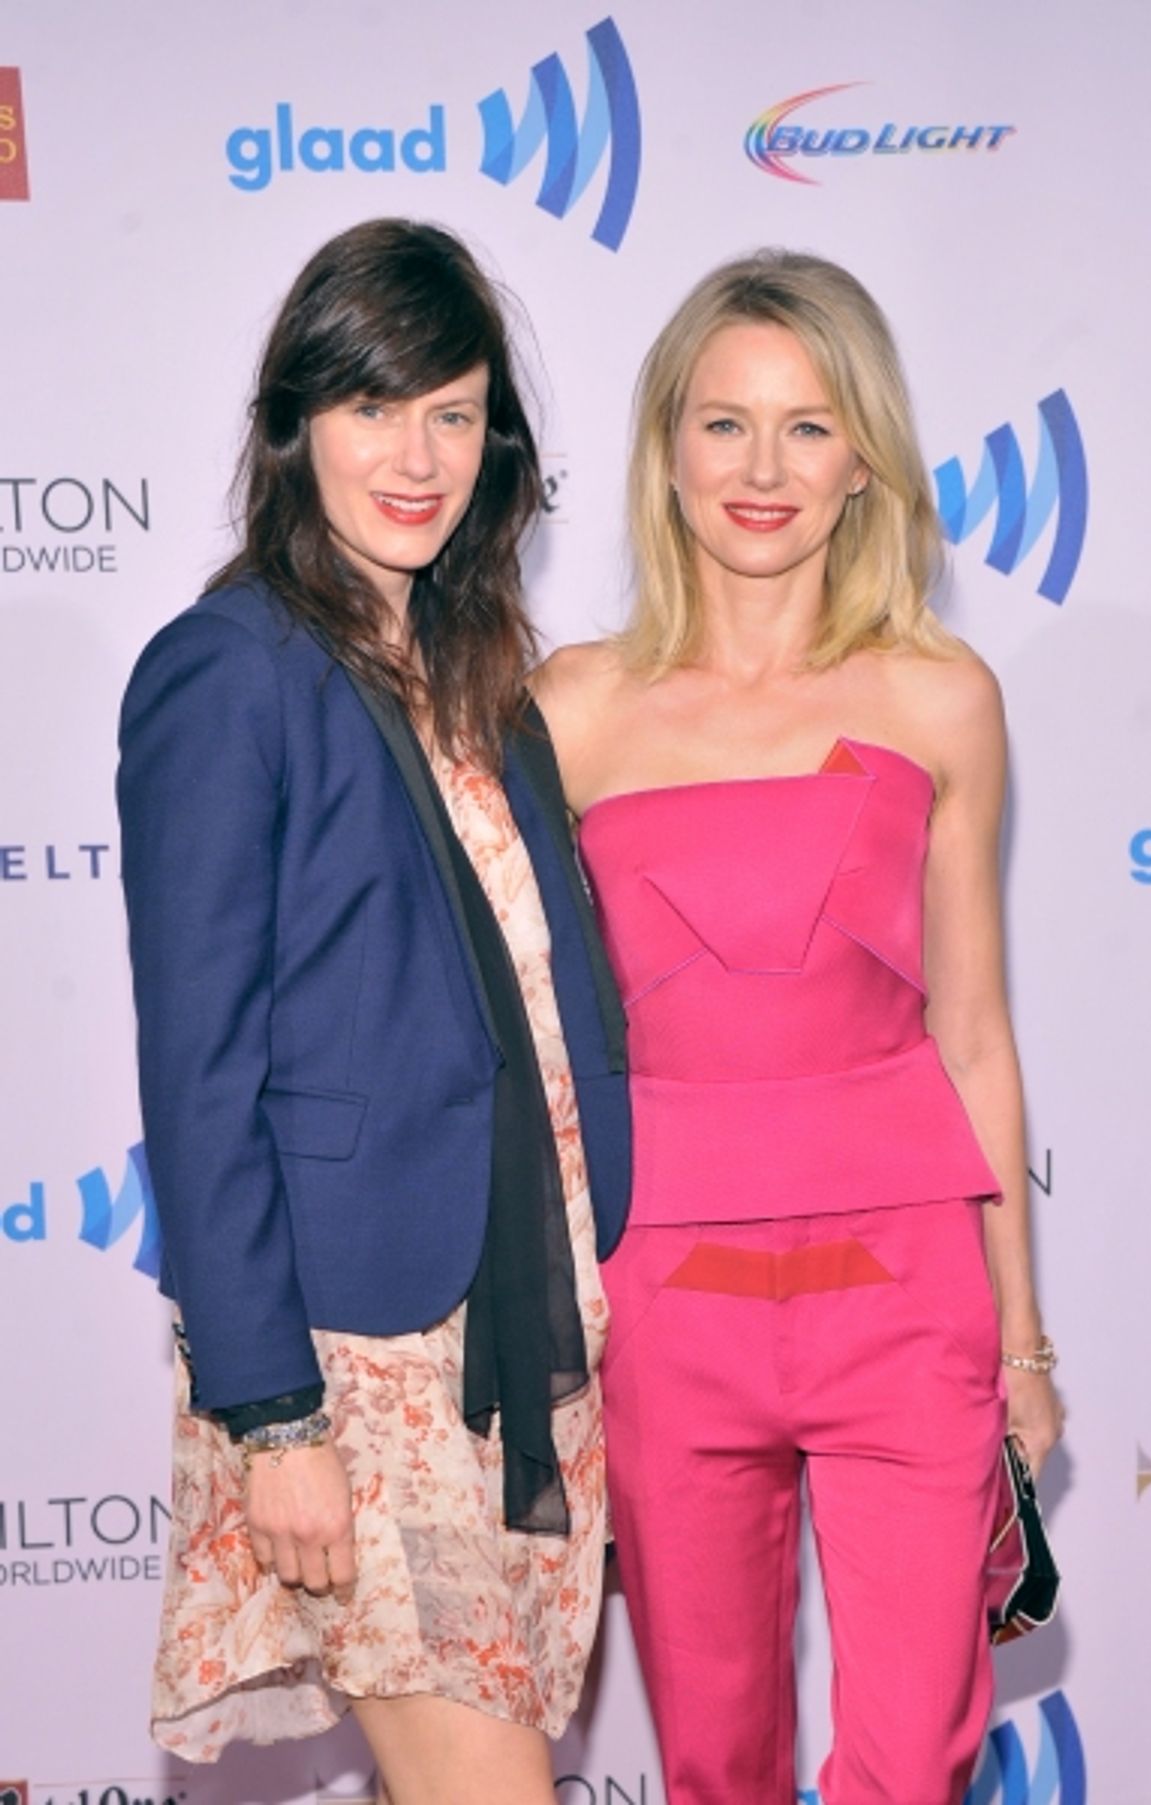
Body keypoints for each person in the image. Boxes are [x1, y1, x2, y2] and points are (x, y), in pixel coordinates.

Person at [534, 251, 1065, 1805]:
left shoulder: (938, 694)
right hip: (667, 1304)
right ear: (666, 451)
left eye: (809, 427)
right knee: (715, 1763)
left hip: (906, 1296)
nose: (763, 470)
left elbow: (975, 1031)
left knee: (913, 1765)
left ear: (865, 462)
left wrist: (1021, 1337)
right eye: (725, 424)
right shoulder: (573, 709)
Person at [117, 218, 629, 1804]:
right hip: (357, 1360)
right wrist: (273, 1419)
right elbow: (198, 1074)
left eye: (455, 412)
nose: (418, 457)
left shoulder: (478, 672)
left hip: (519, 1335)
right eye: (374, 408)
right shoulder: (230, 668)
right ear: (294, 426)